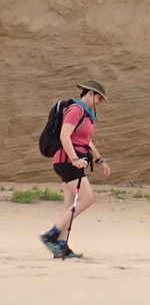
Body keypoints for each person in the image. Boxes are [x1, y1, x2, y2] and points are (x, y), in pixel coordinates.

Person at [39, 79, 112, 259]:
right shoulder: (76, 110)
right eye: (99, 98)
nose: (100, 102)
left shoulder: (86, 114)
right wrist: (75, 159)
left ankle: (61, 245)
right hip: (67, 161)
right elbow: (65, 135)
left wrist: (100, 159)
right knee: (87, 199)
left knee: (70, 204)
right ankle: (52, 235)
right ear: (91, 93)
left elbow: (85, 140)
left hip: (71, 161)